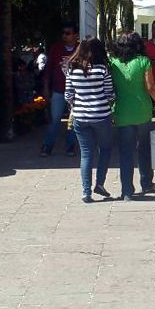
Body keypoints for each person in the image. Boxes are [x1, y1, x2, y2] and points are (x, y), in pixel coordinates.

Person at [109, 32, 155, 201]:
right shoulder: (144, 61)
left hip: (122, 111)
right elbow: (151, 88)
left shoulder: (113, 63)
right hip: (142, 110)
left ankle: (127, 191)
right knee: (144, 148)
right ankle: (146, 182)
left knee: (125, 152)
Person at [65, 38, 115, 203]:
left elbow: (68, 95)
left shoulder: (72, 69)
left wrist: (76, 104)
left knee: (86, 154)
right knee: (105, 149)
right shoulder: (102, 69)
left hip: (80, 116)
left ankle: (86, 191)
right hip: (101, 115)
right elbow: (109, 93)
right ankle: (99, 184)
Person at [40, 25, 79, 157]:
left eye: (68, 33)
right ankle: (47, 146)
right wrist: (46, 88)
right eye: (63, 33)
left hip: (76, 92)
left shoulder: (81, 49)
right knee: (55, 119)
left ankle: (70, 146)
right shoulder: (56, 48)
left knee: (73, 120)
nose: (64, 35)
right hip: (58, 90)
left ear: (75, 35)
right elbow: (48, 70)